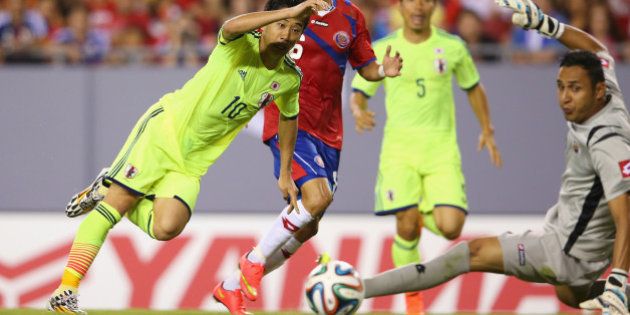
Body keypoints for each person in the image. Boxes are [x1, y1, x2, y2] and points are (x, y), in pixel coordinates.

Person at [46, 0, 330, 313]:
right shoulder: (239, 45)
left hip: (193, 162)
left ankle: (107, 185)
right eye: (282, 24)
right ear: (264, 25)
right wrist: (291, 10)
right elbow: (231, 25)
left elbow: (289, 118)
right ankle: (65, 292)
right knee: (118, 204)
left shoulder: (289, 77)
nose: (288, 34)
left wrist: (285, 172)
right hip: (164, 132)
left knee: (168, 226)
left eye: (296, 29)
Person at [358, 1, 630, 314]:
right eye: (560, 87)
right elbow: (598, 50)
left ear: (596, 92)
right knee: (569, 295)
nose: (565, 97)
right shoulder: (607, 90)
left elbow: (626, 213)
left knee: (469, 254)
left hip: (565, 253)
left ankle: (360, 288)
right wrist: (548, 25)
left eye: (574, 89)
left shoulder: (607, 141)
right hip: (568, 239)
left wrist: (619, 277)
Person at [214, 0, 404, 313]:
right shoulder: (289, 7)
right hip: (289, 119)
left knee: (309, 224)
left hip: (328, 131)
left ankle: (231, 286)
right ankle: (253, 260)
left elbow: (366, 67)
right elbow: (253, 43)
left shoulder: (352, 17)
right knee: (316, 198)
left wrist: (384, 70)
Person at [349, 0, 501, 313]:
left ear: (434, 6)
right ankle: (413, 302)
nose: (418, 6)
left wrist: (487, 128)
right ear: (400, 6)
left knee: (451, 227)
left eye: (425, 0)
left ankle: (416, 215)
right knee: (405, 226)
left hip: (441, 151)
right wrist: (357, 110)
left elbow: (474, 87)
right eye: (411, 1)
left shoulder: (452, 46)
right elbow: (360, 89)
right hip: (399, 151)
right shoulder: (384, 48)